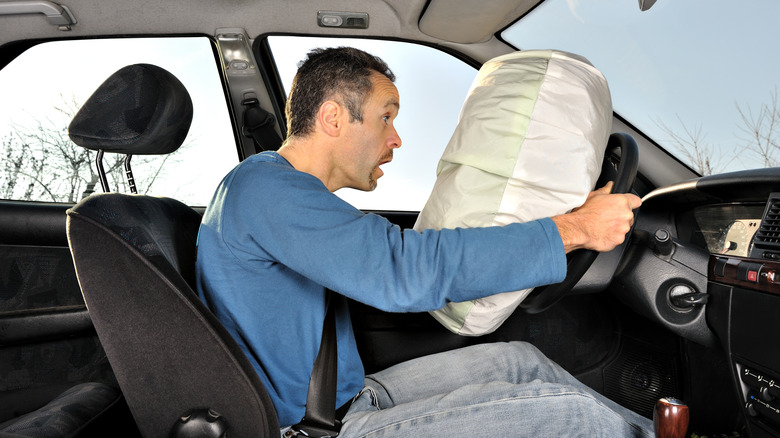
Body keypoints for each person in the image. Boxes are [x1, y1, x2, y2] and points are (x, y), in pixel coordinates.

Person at [195, 47, 651, 436]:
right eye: (385, 117)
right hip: (315, 427)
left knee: (520, 363)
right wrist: (573, 230)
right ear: (333, 117)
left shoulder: (282, 194)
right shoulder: (266, 190)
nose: (396, 139)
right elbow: (402, 270)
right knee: (578, 418)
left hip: (348, 397)